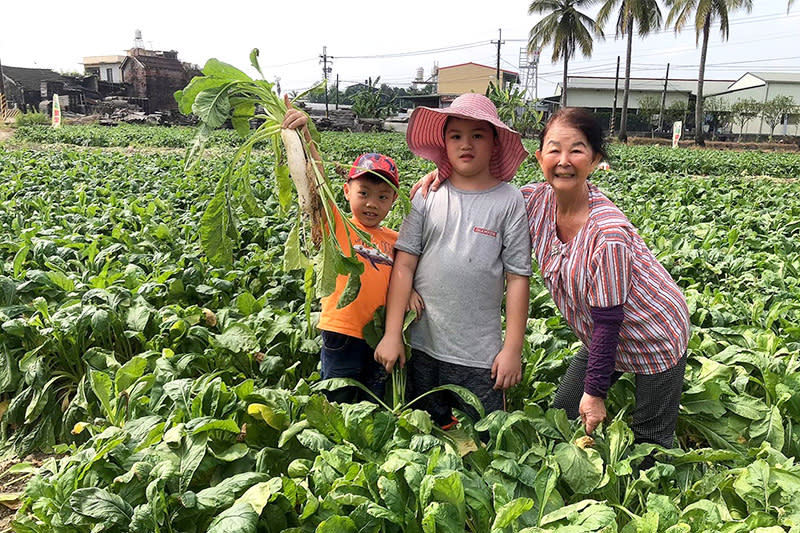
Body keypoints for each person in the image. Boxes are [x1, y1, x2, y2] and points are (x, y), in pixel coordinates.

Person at [412, 107, 690, 454]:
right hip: (598, 333)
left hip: (654, 334)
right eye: (554, 149)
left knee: (650, 440)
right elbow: (482, 193)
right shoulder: (534, 201)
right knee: (561, 414)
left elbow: (609, 323)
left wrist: (596, 393)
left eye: (576, 150)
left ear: (595, 160)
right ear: (539, 156)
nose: (564, 160)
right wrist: (441, 176)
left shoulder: (608, 235)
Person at [374, 93, 532, 428]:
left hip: (481, 356)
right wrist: (392, 334)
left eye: (478, 135)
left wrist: (512, 349)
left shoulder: (509, 201)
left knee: (489, 445)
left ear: (495, 143)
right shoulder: (426, 194)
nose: (466, 144)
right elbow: (404, 264)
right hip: (422, 346)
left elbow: (518, 277)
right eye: (455, 135)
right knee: (428, 434)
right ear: (443, 143)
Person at [282, 105, 421, 404]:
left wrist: (410, 291)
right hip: (340, 332)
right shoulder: (337, 225)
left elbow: (405, 273)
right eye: (364, 193)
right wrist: (305, 137)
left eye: (383, 197)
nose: (372, 203)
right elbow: (316, 185)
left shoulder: (396, 240)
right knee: (337, 398)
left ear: (394, 201)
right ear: (346, 191)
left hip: (379, 334)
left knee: (374, 400)